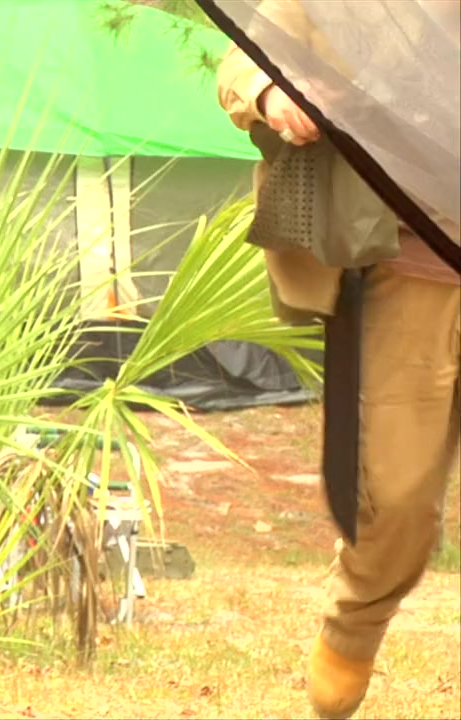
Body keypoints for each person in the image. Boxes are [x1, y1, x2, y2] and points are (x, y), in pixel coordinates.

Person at [215, 1, 461, 718]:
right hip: (414, 269)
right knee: (400, 500)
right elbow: (244, 57)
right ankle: (353, 624)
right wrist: (272, 93)